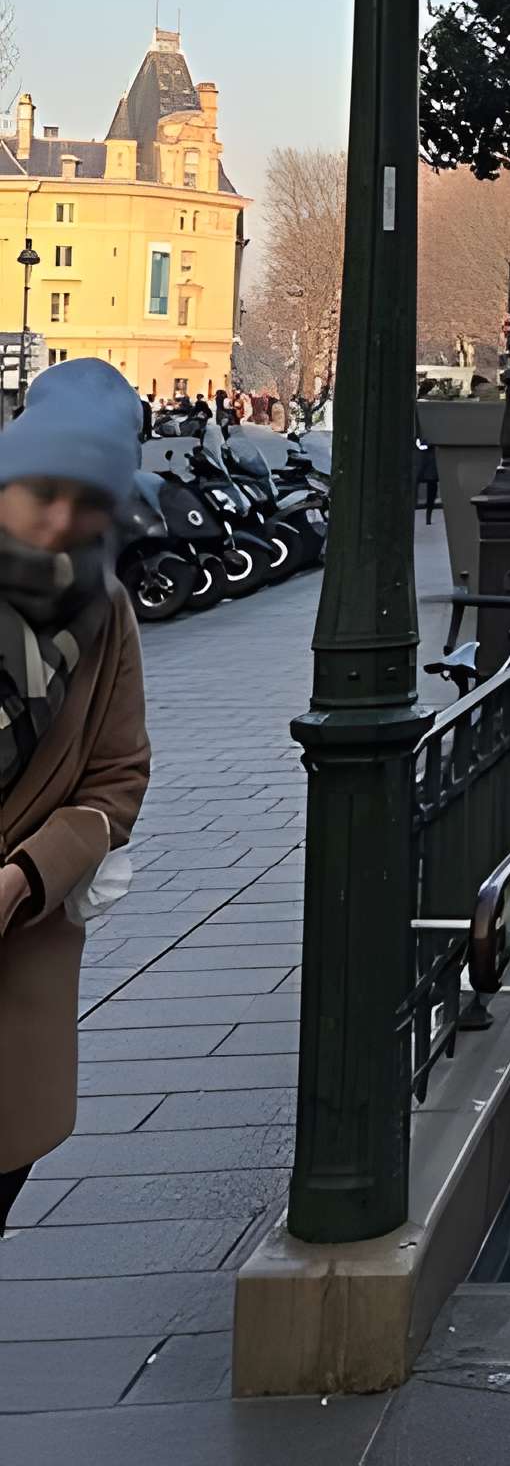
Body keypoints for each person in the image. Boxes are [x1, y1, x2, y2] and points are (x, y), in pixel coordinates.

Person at [0, 360, 151, 1232]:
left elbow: (116, 776)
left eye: (88, 501)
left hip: (16, 960)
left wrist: (27, 877)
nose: (60, 522)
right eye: (43, 491)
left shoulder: (106, 612)